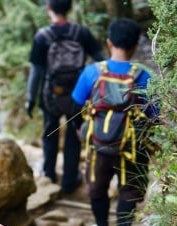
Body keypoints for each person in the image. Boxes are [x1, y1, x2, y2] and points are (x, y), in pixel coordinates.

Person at [71, 17, 158, 226]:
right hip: (133, 146)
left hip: (98, 145)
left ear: (109, 42)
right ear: (133, 46)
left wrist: (82, 131)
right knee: (129, 191)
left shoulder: (92, 72)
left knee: (97, 188)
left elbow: (75, 108)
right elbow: (155, 115)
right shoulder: (145, 75)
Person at [26, 0, 104, 195]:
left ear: (48, 9)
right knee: (73, 135)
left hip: (51, 95)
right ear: (69, 8)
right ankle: (69, 180)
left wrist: (31, 99)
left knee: (50, 133)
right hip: (78, 95)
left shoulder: (43, 36)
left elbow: (36, 72)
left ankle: (49, 175)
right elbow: (100, 62)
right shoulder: (82, 33)